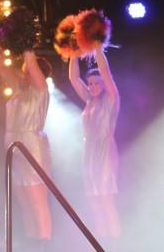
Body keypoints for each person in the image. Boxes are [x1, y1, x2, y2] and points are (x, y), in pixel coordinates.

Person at [0, 48, 53, 248]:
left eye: (27, 72)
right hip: (14, 149)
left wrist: (26, 46)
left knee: (37, 200)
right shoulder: (19, 89)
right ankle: (31, 243)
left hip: (32, 147)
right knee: (24, 201)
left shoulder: (40, 90)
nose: (23, 74)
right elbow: (1, 68)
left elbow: (31, 64)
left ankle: (44, 245)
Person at [69, 48, 120, 238]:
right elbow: (74, 78)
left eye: (96, 82)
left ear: (104, 83)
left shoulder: (111, 98)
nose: (92, 86)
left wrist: (97, 47)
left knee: (106, 201)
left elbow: (105, 71)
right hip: (89, 153)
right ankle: (100, 242)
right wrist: (72, 52)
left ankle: (116, 245)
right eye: (90, 83)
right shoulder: (89, 100)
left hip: (105, 151)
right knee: (94, 203)